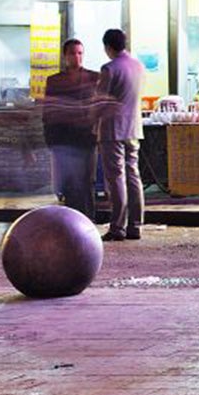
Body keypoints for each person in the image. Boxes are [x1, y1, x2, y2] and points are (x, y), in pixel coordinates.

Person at [95, 29, 145, 243]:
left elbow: (101, 101)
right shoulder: (138, 66)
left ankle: (117, 226)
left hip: (112, 129)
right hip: (133, 128)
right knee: (133, 174)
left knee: (116, 178)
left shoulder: (109, 68)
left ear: (108, 47)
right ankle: (136, 224)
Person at [41, 37, 99, 218]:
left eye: (80, 53)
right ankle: (70, 220)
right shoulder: (55, 81)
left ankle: (88, 218)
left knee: (87, 181)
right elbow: (48, 111)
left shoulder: (93, 78)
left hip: (86, 137)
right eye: (73, 53)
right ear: (65, 56)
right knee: (68, 182)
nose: (77, 57)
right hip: (63, 138)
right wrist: (50, 140)